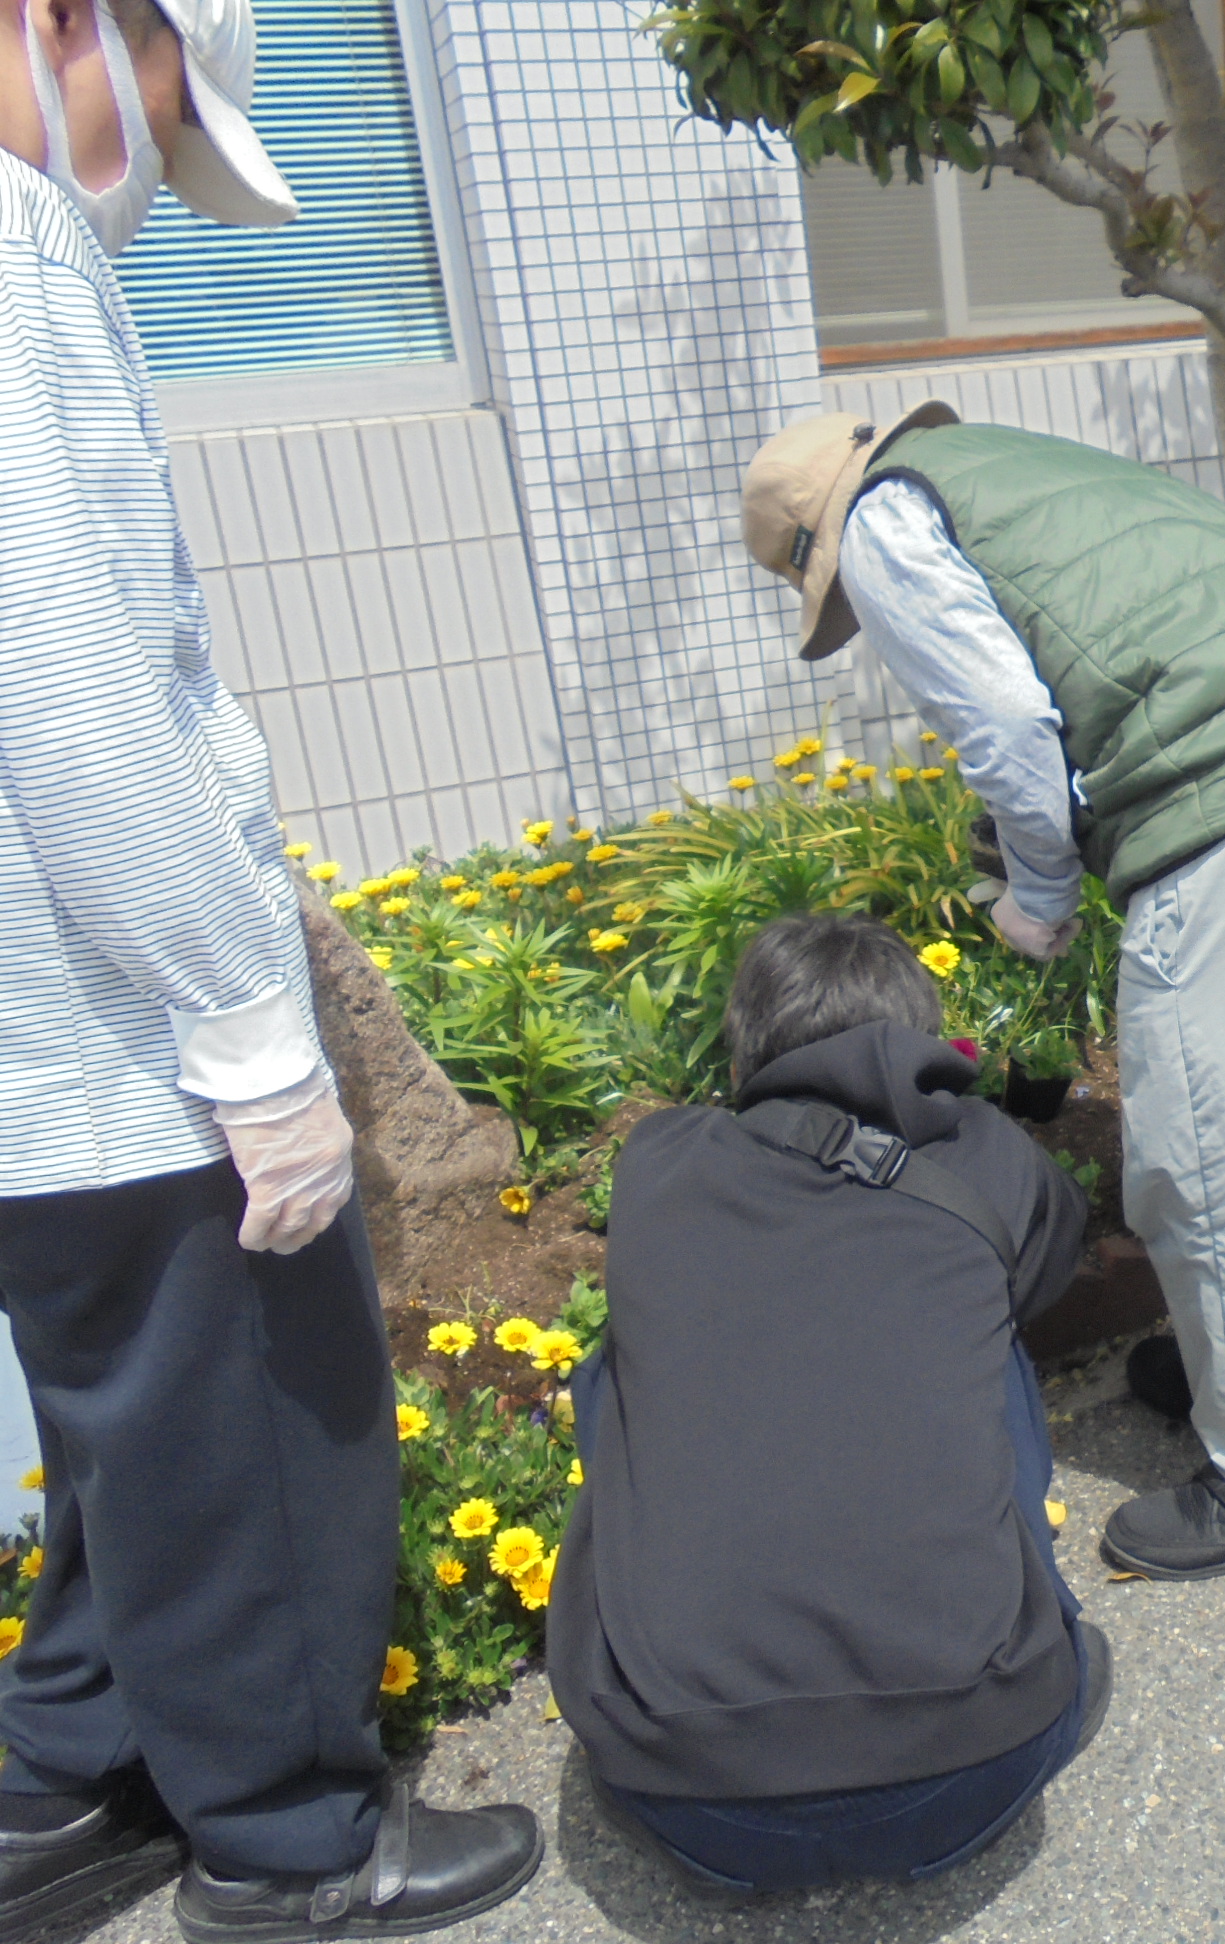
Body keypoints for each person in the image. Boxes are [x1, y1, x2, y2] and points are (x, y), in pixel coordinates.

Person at [0, 4, 541, 1940]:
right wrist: (249, 1041)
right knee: (258, 1437)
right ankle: (290, 1849)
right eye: (168, 91)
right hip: (112, 1034)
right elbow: (71, 704)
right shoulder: (12, 263)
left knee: (125, 1441)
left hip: (25, 1066)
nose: (155, 153)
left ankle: (57, 1794)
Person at [741, 407, 1225, 1580]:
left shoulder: (888, 524)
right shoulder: (1026, 472)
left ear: (823, 539)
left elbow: (1009, 731)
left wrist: (1038, 899)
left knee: (1205, 1165)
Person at [548, 912, 1107, 1895]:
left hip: (690, 1795)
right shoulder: (984, 1155)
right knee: (991, 1339)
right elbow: (1052, 1263)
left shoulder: (660, 1163)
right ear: (920, 1033)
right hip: (978, 1761)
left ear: (747, 1041)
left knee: (610, 1370)